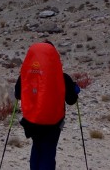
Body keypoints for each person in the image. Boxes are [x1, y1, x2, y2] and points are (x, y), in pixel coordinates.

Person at [14, 41, 80, 170]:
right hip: (53, 122)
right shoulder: (63, 77)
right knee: (48, 151)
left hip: (32, 120)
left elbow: (17, 94)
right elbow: (71, 100)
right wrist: (75, 89)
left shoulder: (26, 76)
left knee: (37, 147)